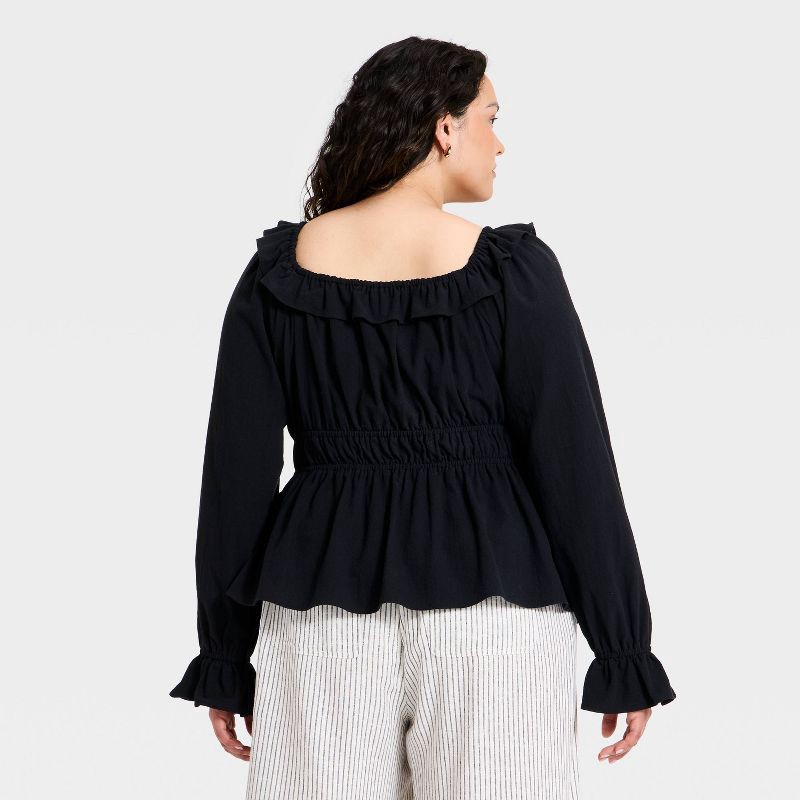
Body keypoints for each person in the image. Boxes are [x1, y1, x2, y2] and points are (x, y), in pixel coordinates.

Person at [169, 36, 676, 799]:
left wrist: (225, 655)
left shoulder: (278, 274)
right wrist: (622, 646)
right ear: (445, 127)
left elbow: (233, 482)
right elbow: (577, 472)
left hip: (320, 611)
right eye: (491, 118)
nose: (499, 142)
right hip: (495, 611)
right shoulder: (512, 274)